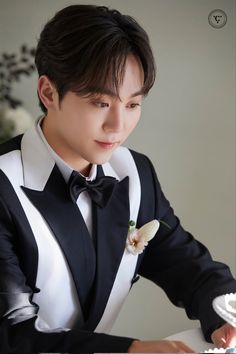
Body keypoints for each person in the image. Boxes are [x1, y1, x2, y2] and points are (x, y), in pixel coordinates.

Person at [0, 4, 235, 353]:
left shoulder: (133, 173)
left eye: (132, 105)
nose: (118, 126)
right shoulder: (4, 185)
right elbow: (11, 334)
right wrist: (134, 350)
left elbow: (189, 267)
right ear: (48, 93)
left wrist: (224, 314)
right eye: (99, 103)